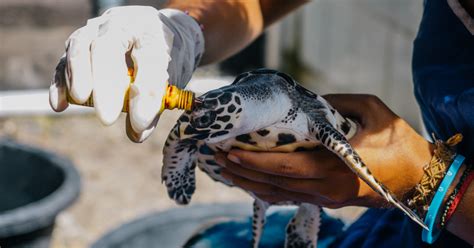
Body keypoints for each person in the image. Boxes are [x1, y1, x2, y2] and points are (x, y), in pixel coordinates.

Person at [49, 0, 474, 246]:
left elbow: (419, 182)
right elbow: (249, 5)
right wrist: (181, 29)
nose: (202, 123)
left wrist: (427, 183)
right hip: (413, 226)